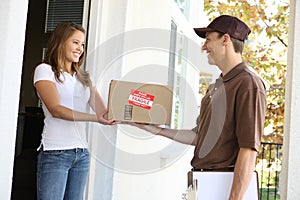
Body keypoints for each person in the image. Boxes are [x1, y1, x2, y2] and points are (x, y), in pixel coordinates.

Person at [131, 15, 267, 200]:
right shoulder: (217, 86)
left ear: (225, 40)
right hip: (202, 182)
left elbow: (248, 150)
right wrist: (155, 129)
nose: (204, 47)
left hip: (223, 184)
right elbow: (199, 136)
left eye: (208, 40)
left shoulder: (248, 84)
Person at [33, 21, 115, 200]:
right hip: (56, 152)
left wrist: (135, 106)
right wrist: (95, 118)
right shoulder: (45, 71)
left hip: (82, 154)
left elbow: (105, 112)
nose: (80, 48)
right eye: (75, 42)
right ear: (61, 42)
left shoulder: (84, 78)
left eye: (83, 44)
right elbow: (56, 110)